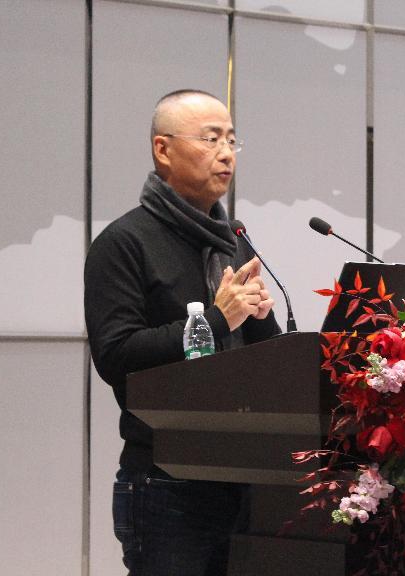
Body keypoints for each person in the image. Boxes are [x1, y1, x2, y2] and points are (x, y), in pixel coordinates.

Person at [84, 89, 281, 575]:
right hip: (166, 479)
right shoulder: (124, 243)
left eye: (232, 140)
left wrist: (258, 317)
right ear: (163, 149)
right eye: (211, 139)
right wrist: (217, 319)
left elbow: (263, 357)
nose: (226, 153)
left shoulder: (232, 240)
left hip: (244, 473)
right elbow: (117, 355)